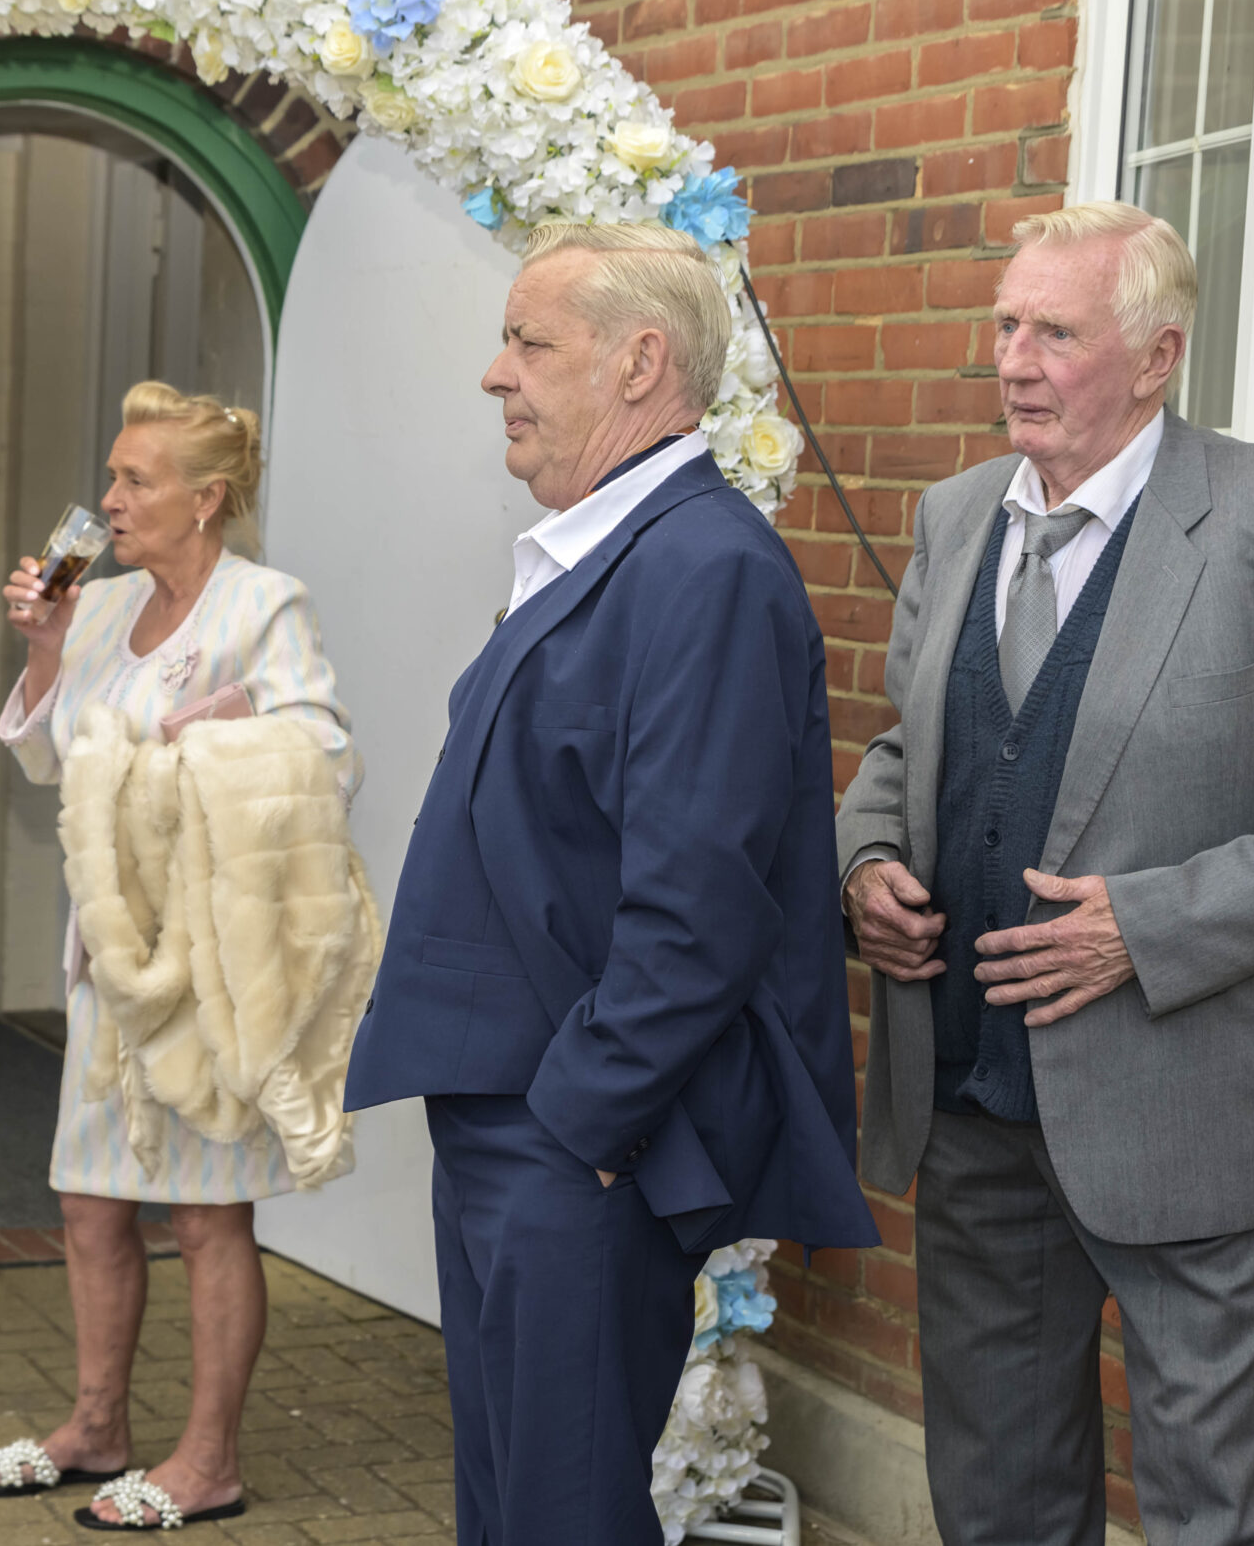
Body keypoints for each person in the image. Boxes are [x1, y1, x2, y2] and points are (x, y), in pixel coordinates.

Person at [837, 200, 1254, 1545]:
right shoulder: (953, 517)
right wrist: (867, 861)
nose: (1013, 361)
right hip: (973, 1109)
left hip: (1197, 1120)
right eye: (1005, 324)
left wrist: (1147, 926)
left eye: (1055, 333)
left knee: (1221, 1513)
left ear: (1158, 356)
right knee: (996, 1502)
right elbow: (908, 746)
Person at [343, 222, 879, 1546]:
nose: (496, 374)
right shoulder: (609, 550)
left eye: (529, 343)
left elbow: (699, 907)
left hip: (578, 1137)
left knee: (563, 1513)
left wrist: (582, 1126)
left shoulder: (704, 568)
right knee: (511, 1508)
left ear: (639, 364)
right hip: (517, 1120)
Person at [0, 381, 359, 1531]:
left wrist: (201, 747)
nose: (108, 499)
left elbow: (325, 756)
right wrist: (47, 648)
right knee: (91, 1202)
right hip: (112, 957)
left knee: (205, 1214)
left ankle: (210, 1460)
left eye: (134, 480)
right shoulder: (96, 608)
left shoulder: (263, 603)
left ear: (205, 499)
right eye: (111, 475)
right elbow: (46, 760)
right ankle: (97, 1425)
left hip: (208, 964)